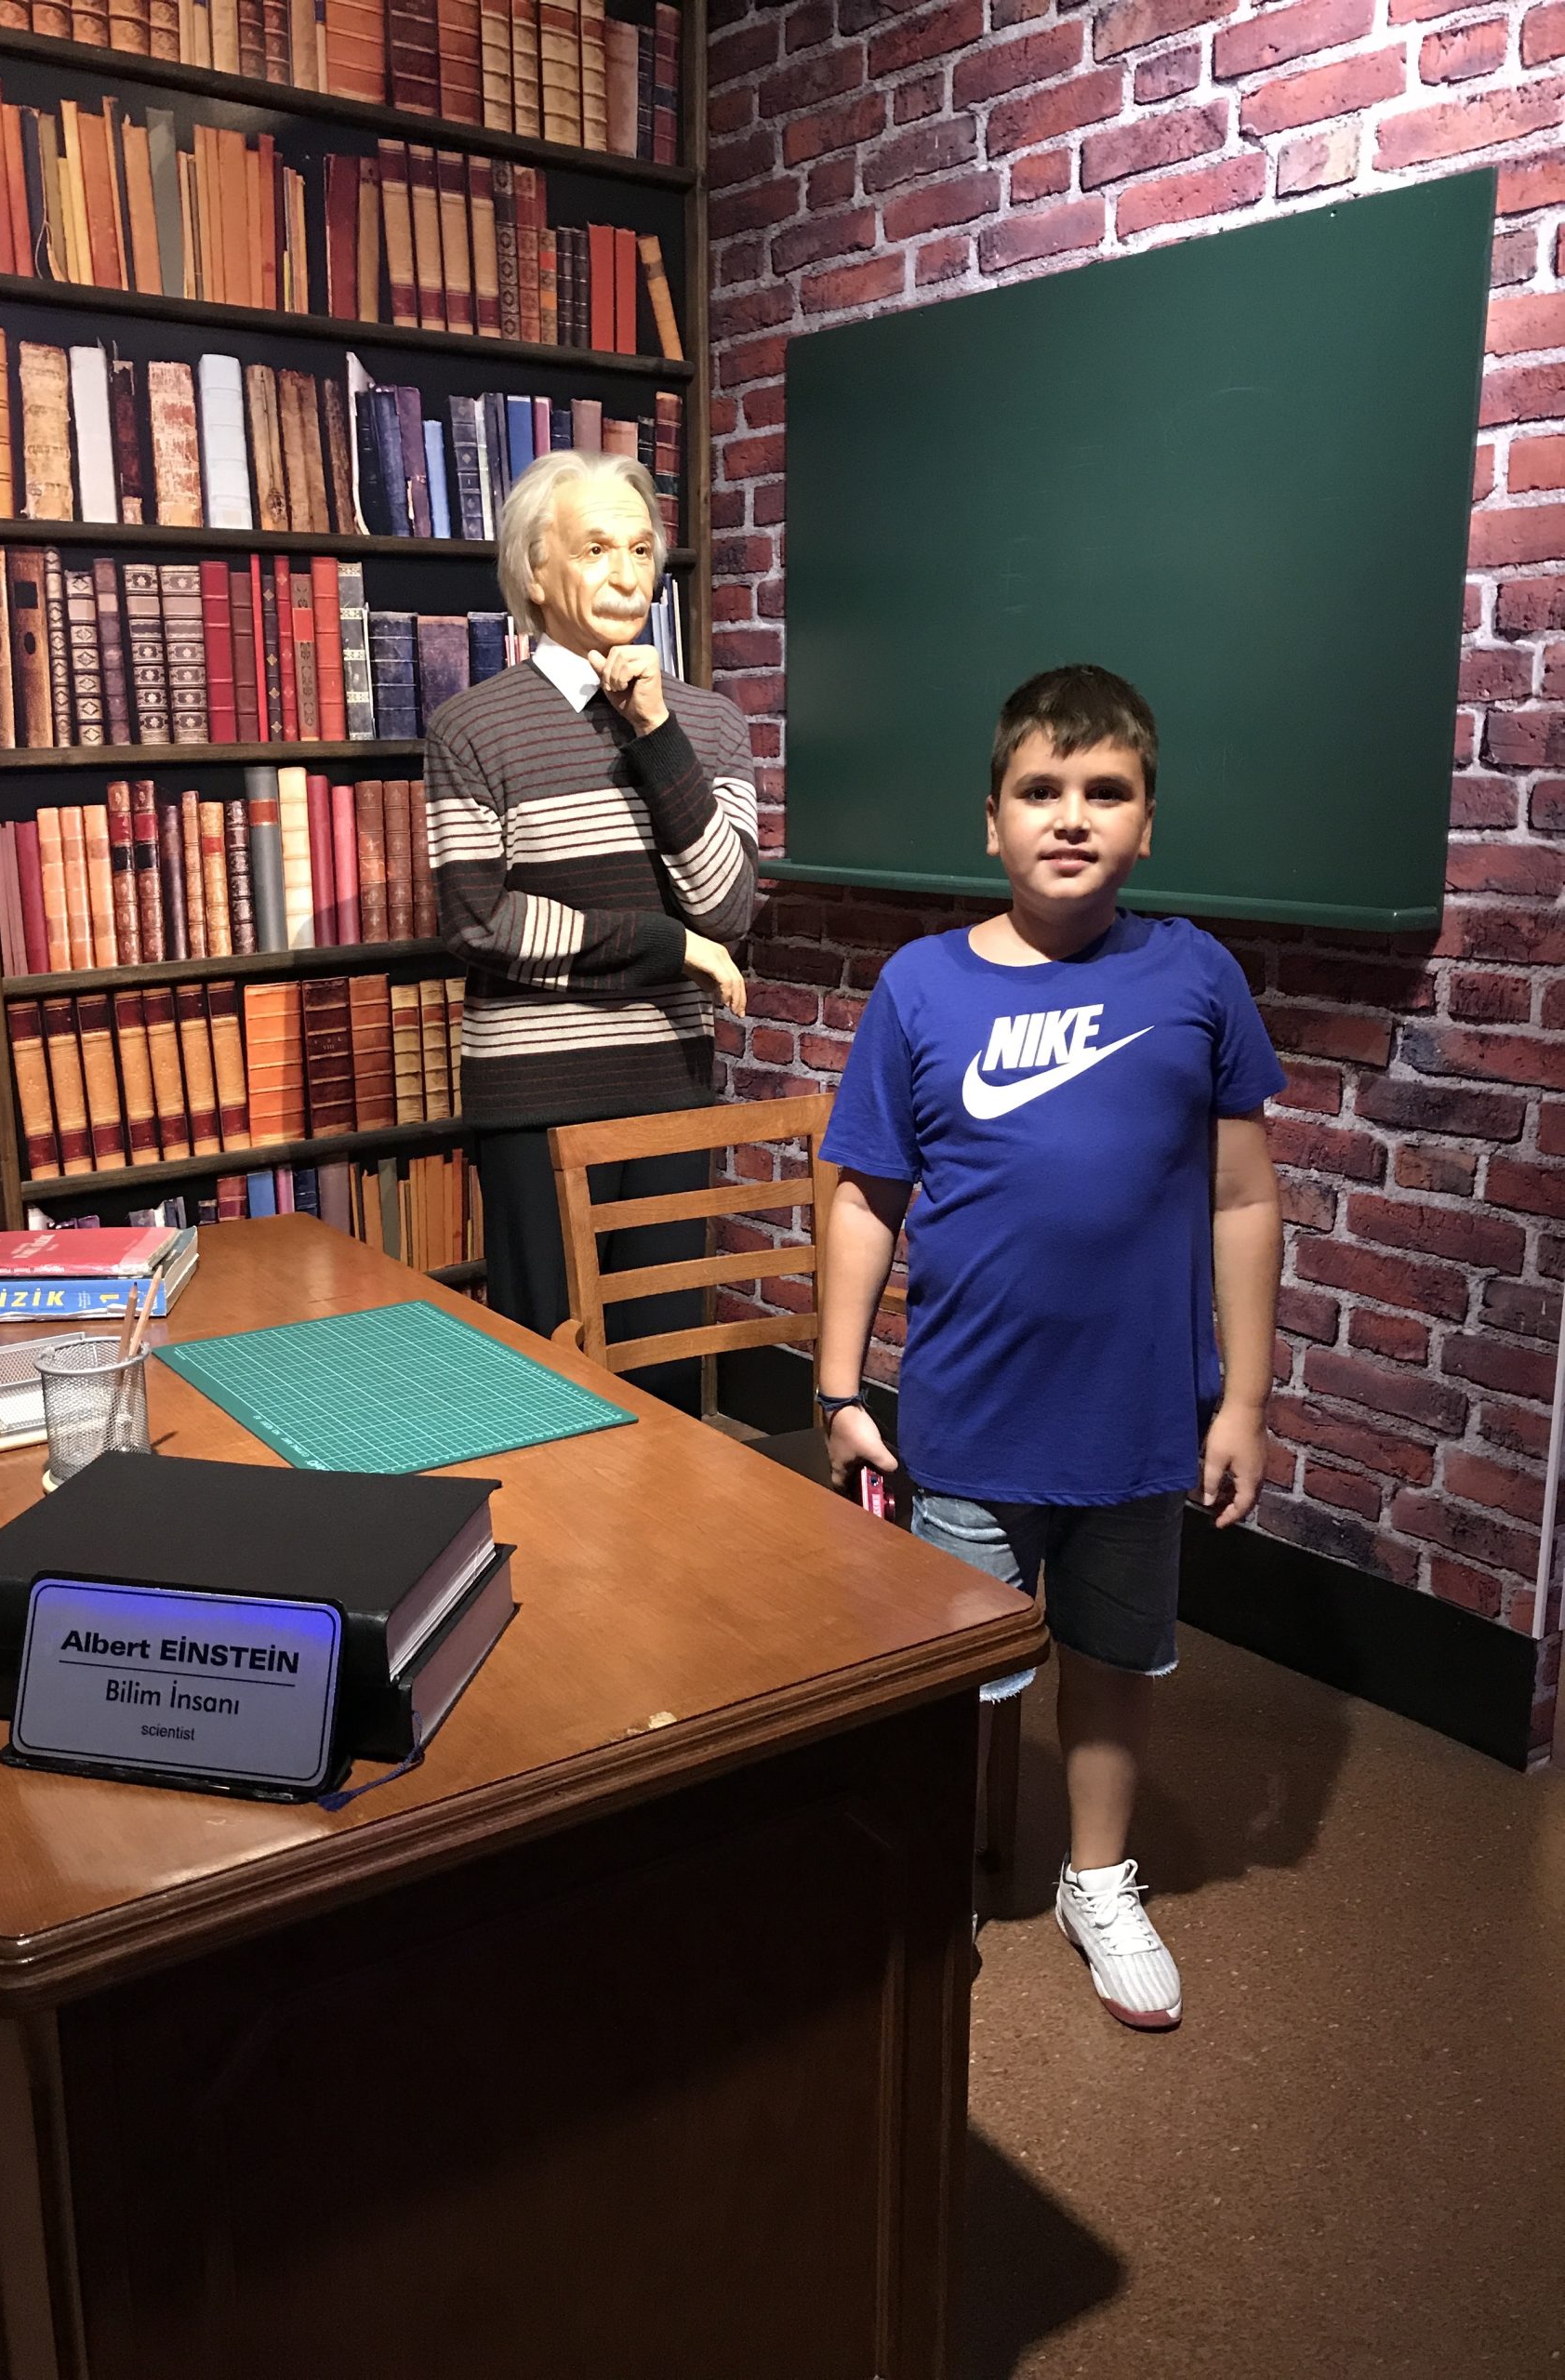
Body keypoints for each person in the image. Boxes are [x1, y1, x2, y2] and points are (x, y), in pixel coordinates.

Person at [816, 665, 1284, 2030]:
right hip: (968, 1417)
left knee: (1116, 1660)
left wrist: (1245, 1402)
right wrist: (838, 1387)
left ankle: (1096, 1877)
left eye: (1105, 791)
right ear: (992, 820)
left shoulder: (1195, 976)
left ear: (1147, 822)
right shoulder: (920, 986)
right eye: (1040, 790)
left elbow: (1244, 1200)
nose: (1070, 816)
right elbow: (863, 1199)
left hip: (1138, 1421)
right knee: (960, 1669)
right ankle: (937, 1866)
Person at [425, 450, 758, 1399]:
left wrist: (657, 731)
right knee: (547, 1372)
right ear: (535, 572)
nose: (626, 573)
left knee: (666, 1373)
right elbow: (479, 921)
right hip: (536, 1096)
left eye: (642, 550)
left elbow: (727, 909)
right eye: (596, 548)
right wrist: (666, 946)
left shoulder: (709, 725)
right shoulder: (471, 728)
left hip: (667, 1086)